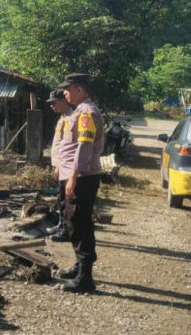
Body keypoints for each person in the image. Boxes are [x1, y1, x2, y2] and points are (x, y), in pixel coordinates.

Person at [56, 73, 105, 293]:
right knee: (73, 221)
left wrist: (74, 176)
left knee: (80, 223)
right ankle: (80, 265)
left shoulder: (86, 112)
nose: (64, 93)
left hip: (82, 176)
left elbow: (84, 147)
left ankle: (86, 277)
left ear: (80, 89)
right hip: (76, 175)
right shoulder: (78, 111)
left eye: (68, 89)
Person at [45, 89, 71, 241]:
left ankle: (66, 230)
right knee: (61, 197)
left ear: (63, 101)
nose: (52, 106)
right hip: (61, 165)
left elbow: (68, 146)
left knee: (66, 200)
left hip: (66, 165)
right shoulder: (63, 117)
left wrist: (60, 165)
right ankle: (62, 225)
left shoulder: (71, 118)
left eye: (54, 103)